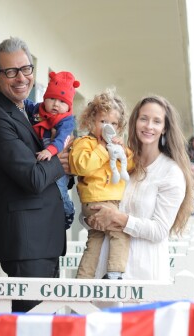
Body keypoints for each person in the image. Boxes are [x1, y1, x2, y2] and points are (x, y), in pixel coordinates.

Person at [0, 37, 69, 312]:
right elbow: (33, 177)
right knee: (31, 330)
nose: (21, 78)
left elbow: (45, 170)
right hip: (26, 242)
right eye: (10, 71)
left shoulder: (26, 110)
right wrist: (62, 161)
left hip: (43, 238)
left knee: (46, 325)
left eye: (26, 69)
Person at [84, 95, 194, 281]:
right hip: (105, 268)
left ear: (165, 128)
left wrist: (118, 218)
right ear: (135, 121)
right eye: (143, 118)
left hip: (143, 271)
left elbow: (160, 230)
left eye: (157, 121)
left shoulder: (171, 172)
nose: (148, 126)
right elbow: (95, 199)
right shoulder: (122, 160)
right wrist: (89, 218)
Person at [69, 89, 134, 280]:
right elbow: (82, 166)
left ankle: (83, 281)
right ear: (91, 121)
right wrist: (102, 149)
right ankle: (114, 274)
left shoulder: (117, 146)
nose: (108, 127)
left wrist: (123, 152)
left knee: (95, 240)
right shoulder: (85, 142)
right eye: (103, 122)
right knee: (120, 232)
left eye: (113, 123)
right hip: (98, 200)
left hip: (107, 200)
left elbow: (130, 167)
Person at [24, 71, 80, 229]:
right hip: (42, 160)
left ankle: (68, 210)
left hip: (56, 158)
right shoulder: (38, 111)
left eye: (62, 101)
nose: (56, 104)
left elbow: (61, 139)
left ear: (68, 105)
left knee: (59, 187)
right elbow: (25, 105)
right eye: (52, 98)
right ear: (45, 98)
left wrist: (50, 151)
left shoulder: (66, 120)